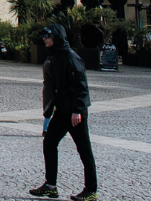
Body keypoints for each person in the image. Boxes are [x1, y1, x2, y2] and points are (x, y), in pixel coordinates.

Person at [29, 24, 97, 201]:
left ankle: (91, 191)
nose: (44, 39)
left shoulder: (71, 58)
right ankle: (50, 186)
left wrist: (78, 111)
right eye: (44, 36)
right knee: (49, 143)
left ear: (56, 37)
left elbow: (82, 88)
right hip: (61, 112)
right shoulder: (55, 56)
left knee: (84, 150)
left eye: (47, 36)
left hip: (75, 113)